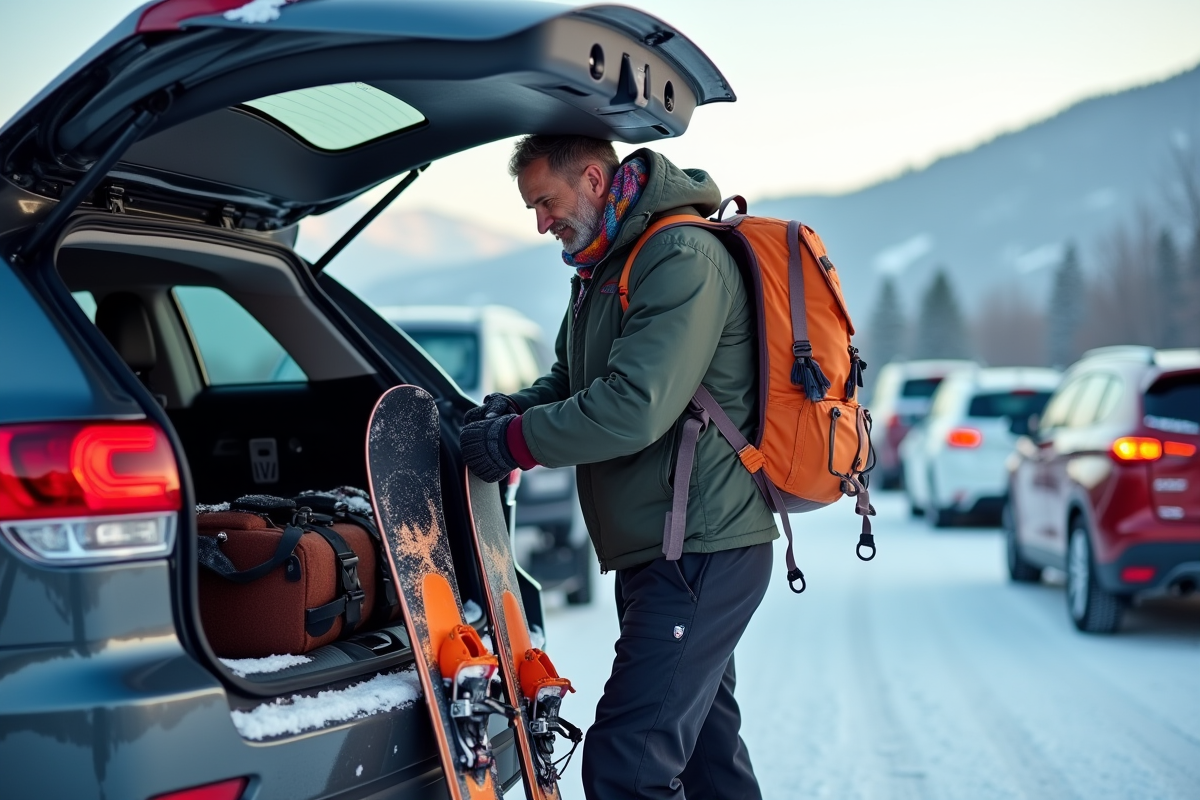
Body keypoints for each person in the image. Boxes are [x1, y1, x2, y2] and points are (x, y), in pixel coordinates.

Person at [459, 135, 777, 800]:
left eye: (546, 201)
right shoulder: (609, 267)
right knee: (707, 759)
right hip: (663, 546)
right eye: (532, 208)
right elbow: (575, 384)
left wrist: (515, 442)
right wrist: (505, 413)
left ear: (597, 180)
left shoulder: (679, 256)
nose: (541, 221)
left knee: (627, 763)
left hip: (699, 548)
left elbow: (633, 407)